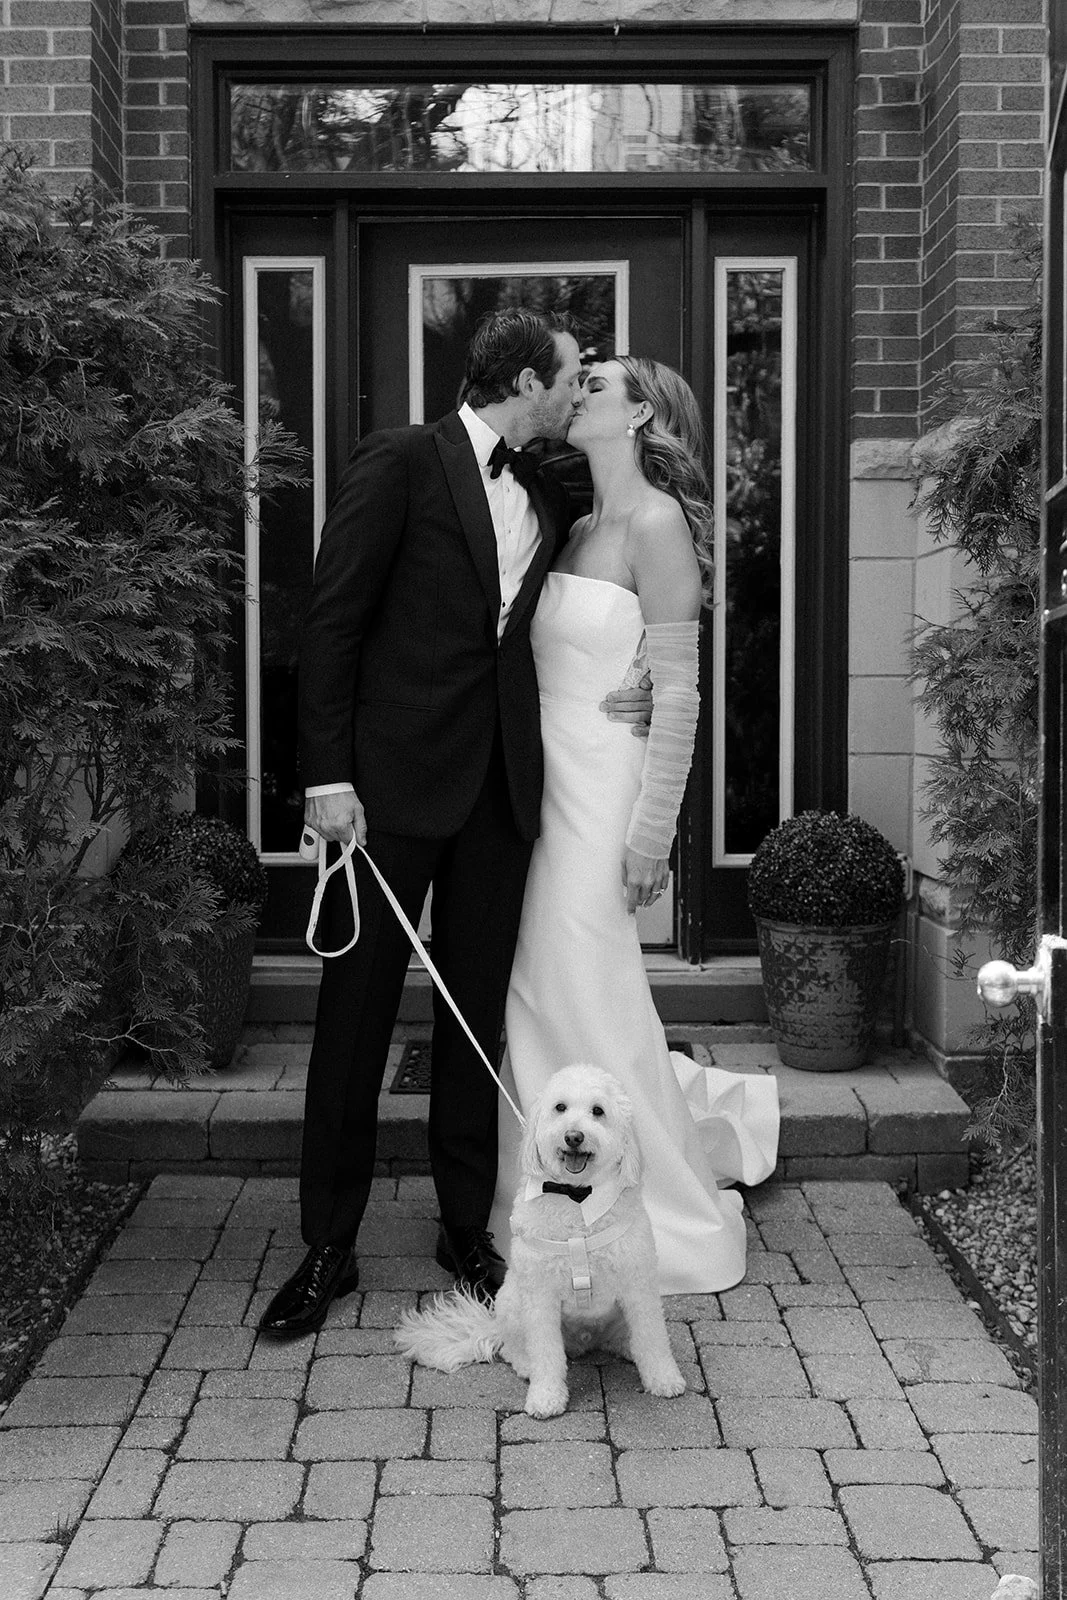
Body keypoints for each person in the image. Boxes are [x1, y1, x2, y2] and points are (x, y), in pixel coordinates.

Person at [259, 309, 652, 1336]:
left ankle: (463, 1229)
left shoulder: (552, 484)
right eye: (567, 380)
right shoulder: (398, 461)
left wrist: (657, 669)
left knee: (474, 1017)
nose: (575, 397)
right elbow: (329, 623)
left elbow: (646, 523)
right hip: (384, 794)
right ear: (525, 378)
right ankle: (327, 1244)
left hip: (500, 795)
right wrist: (325, 779)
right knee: (354, 1020)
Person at [490, 355, 780, 1295]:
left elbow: (682, 692)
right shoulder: (573, 525)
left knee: (591, 984)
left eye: (598, 387)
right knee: (535, 989)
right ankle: (539, 1198)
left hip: (605, 790)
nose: (579, 395)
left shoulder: (656, 526)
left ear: (641, 413)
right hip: (541, 783)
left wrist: (651, 836)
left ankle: (661, 1214)